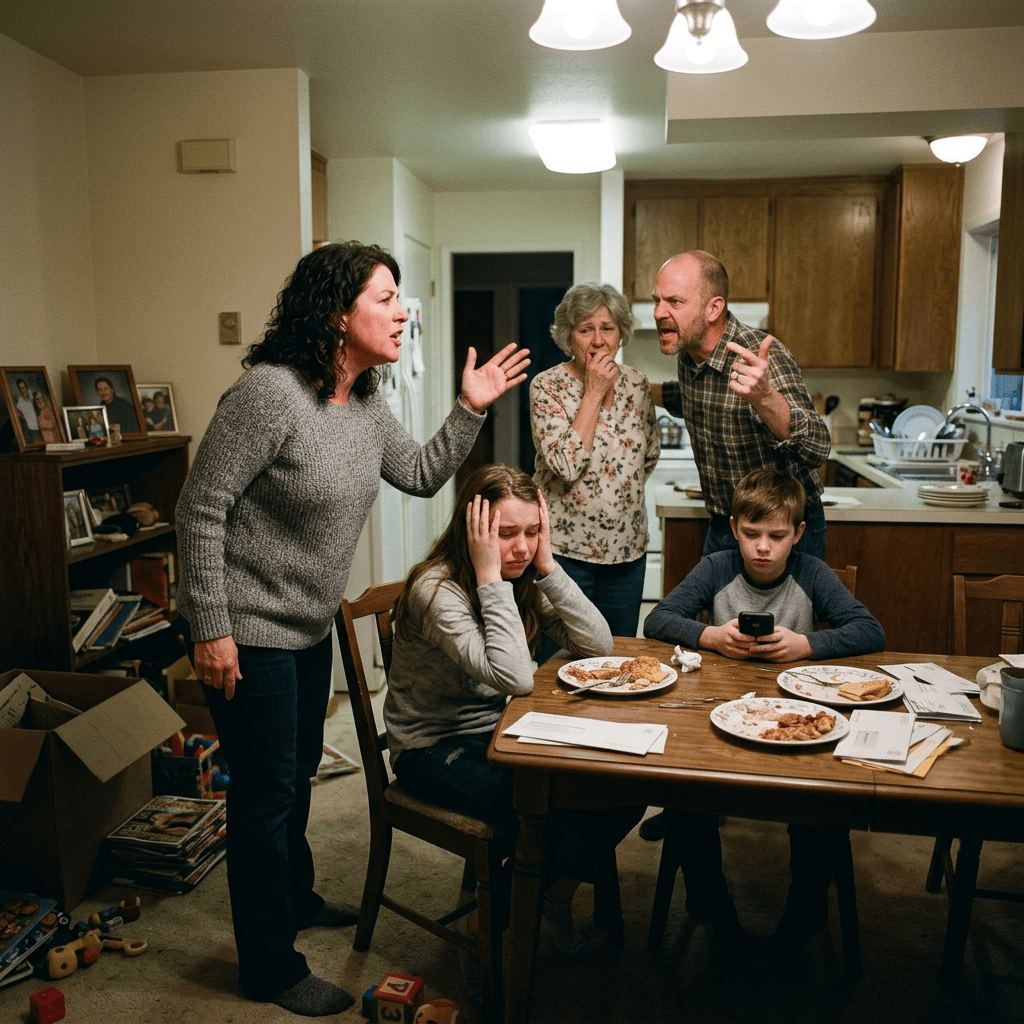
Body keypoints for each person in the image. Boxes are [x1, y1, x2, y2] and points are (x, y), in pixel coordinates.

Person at [175, 241, 530, 1018]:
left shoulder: (365, 400)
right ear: (338, 314)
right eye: (385, 298)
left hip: (306, 627)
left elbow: (423, 474)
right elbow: (199, 509)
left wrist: (470, 408)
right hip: (247, 628)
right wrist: (211, 627)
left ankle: (295, 896)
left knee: (297, 773)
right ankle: (269, 967)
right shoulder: (269, 394)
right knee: (265, 796)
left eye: (399, 297)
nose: (402, 313)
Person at [385, 463, 642, 969]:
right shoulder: (437, 590)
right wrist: (489, 577)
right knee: (555, 810)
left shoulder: (521, 574)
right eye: (506, 534)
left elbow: (599, 644)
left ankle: (550, 895)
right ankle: (493, 917)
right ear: (473, 530)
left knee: (623, 789)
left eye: (532, 531)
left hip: (499, 730)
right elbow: (516, 677)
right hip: (430, 748)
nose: (521, 548)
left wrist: (549, 566)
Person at [643, 468, 885, 951]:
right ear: (733, 528)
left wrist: (806, 645)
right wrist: (710, 635)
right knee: (684, 793)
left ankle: (805, 914)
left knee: (823, 800)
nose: (762, 548)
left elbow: (870, 630)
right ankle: (710, 905)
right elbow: (658, 619)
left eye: (777, 536)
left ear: (798, 533)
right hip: (720, 714)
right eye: (752, 534)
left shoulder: (811, 572)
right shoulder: (715, 567)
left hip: (797, 720)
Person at [642, 249, 831, 842]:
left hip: (786, 528)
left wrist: (767, 400)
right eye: (657, 299)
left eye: (674, 301)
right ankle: (701, 793)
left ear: (714, 307)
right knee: (715, 661)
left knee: (794, 662)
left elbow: (819, 445)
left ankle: (805, 800)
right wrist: (625, 385)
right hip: (726, 527)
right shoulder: (692, 362)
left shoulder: (758, 357)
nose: (658, 312)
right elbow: (684, 397)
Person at [530, 283, 659, 658]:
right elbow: (566, 465)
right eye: (586, 329)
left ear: (621, 333)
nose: (599, 340)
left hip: (627, 555)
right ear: (568, 336)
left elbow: (648, 456)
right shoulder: (548, 387)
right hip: (563, 554)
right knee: (558, 662)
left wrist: (614, 498)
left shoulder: (638, 385)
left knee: (617, 659)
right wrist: (593, 392)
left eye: (608, 328)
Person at [13, 378, 41, 443]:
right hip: (32, 430)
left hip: (40, 425)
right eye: (21, 388)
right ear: (19, 389)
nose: (24, 389)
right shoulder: (20, 404)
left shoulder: (31, 393)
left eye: (25, 387)